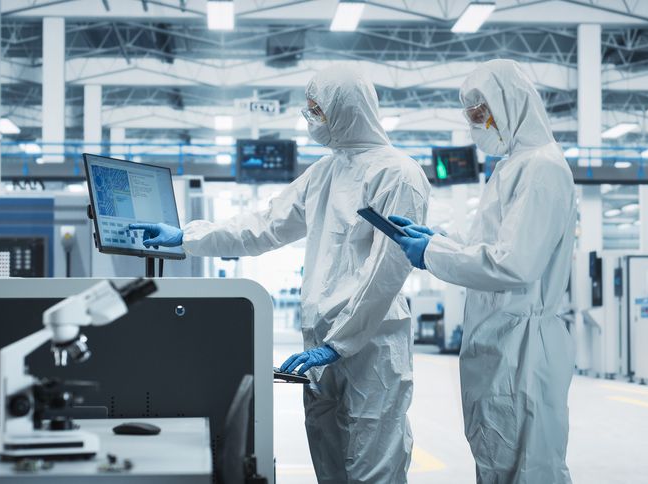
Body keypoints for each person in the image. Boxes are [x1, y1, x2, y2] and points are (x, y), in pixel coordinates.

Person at [130, 65, 430, 484]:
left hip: (370, 345)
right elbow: (265, 225)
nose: (311, 118)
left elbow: (387, 270)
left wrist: (341, 342)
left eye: (317, 110)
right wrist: (187, 237)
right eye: (310, 109)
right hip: (319, 344)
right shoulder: (325, 173)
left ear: (346, 109)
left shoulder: (397, 174)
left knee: (373, 469)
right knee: (329, 467)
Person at [390, 59, 577, 483]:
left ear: (509, 104)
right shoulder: (514, 166)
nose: (476, 126)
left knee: (530, 469)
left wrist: (431, 255)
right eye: (471, 117)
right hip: (500, 340)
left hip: (523, 349)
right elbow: (488, 244)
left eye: (481, 114)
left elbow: (515, 263)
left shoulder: (542, 168)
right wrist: (436, 239)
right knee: (499, 462)